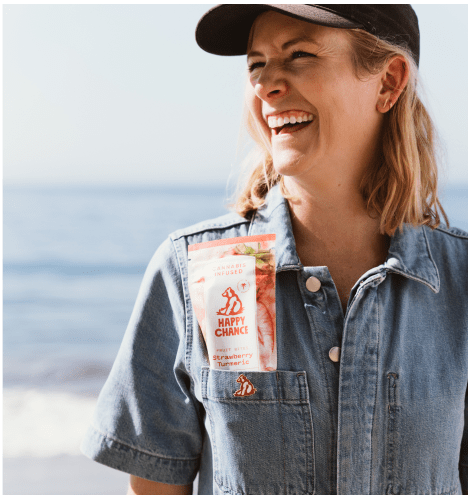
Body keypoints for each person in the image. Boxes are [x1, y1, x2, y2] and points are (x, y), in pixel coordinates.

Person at [81, 5, 468, 495]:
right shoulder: (201, 271)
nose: (267, 84)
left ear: (389, 83)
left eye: (299, 54)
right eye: (255, 64)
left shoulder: (461, 283)